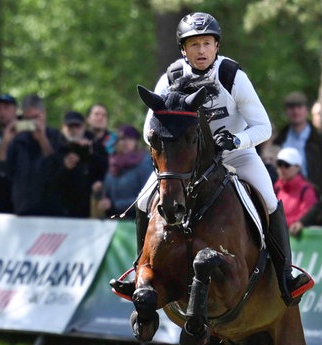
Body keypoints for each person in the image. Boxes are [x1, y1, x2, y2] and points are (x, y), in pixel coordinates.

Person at [114, 12, 311, 306]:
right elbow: (148, 129)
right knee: (144, 201)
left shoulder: (232, 77)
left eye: (207, 43)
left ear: (216, 46)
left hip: (235, 152)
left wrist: (236, 140)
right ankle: (138, 270)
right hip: (186, 160)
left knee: (269, 198)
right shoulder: (170, 78)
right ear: (184, 49)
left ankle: (286, 275)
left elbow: (264, 127)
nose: (201, 51)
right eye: (194, 44)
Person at [0, 94, 66, 216]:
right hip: (23, 209)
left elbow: (56, 167)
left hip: (51, 210)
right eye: (28, 119)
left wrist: (42, 139)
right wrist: (6, 140)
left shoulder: (56, 136)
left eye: (36, 117)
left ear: (44, 113)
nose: (33, 123)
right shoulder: (18, 140)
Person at [273, 91, 322, 193]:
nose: (295, 111)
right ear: (286, 112)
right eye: (291, 108)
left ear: (307, 110)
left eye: (299, 107)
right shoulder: (278, 141)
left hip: (315, 200)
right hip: (284, 198)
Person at [92, 125, 152, 219]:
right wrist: (98, 193)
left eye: (130, 139)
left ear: (136, 142)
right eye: (122, 139)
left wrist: (114, 205)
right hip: (113, 222)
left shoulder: (144, 163)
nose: (125, 142)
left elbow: (148, 197)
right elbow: (107, 194)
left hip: (137, 222)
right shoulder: (113, 162)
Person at [273, 147, 318, 227]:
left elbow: (306, 217)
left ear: (298, 167)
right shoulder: (276, 188)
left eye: (287, 165)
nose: (282, 169)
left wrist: (280, 223)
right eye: (279, 164)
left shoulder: (307, 191)